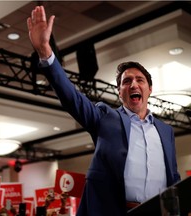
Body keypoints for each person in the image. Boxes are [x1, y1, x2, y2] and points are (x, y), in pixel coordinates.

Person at [27, 6, 181, 216]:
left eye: (140, 80)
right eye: (127, 81)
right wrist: (45, 50)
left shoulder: (166, 131)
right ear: (119, 92)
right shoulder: (105, 117)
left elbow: (174, 179)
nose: (133, 84)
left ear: (150, 89)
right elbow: (72, 98)